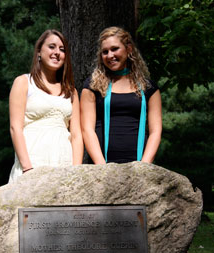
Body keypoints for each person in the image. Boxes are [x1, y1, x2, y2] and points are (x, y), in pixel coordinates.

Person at [9, 29, 83, 182]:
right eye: (52, 47)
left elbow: (76, 135)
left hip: (64, 164)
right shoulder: (23, 82)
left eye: (62, 50)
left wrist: (76, 172)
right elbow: (15, 128)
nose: (57, 52)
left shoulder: (71, 91)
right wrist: (27, 168)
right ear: (39, 52)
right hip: (32, 162)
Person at [80, 26, 162, 164]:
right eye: (105, 52)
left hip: (139, 167)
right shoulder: (93, 86)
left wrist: (144, 166)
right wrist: (102, 167)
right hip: (102, 166)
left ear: (128, 49)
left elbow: (156, 131)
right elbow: (87, 129)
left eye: (114, 49)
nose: (110, 55)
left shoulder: (149, 88)